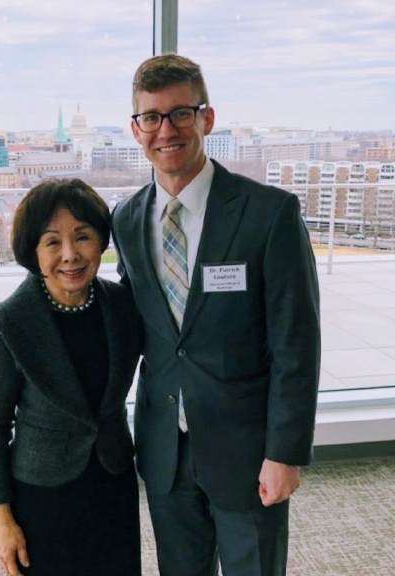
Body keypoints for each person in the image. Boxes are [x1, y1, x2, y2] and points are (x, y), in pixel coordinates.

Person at [112, 53, 321, 576]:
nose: (167, 130)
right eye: (152, 117)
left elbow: (296, 344)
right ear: (136, 130)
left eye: (181, 113)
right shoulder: (127, 219)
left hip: (248, 452)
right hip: (165, 450)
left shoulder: (268, 214)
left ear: (206, 118)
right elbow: (133, 328)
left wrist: (285, 452)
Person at [0, 178, 142, 576]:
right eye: (52, 242)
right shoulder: (9, 323)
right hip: (42, 494)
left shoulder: (122, 305)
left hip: (113, 481)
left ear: (100, 241)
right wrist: (2, 522)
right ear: (33, 251)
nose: (70, 255)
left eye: (82, 237)